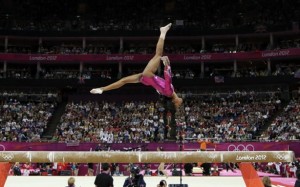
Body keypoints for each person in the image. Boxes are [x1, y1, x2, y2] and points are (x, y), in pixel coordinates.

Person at [90, 23, 183, 109]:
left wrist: (167, 66)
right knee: (123, 81)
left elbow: (168, 80)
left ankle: (163, 32)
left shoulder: (170, 92)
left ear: (175, 101)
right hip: (146, 80)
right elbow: (160, 86)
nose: (180, 104)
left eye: (178, 105)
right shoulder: (168, 93)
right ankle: (102, 89)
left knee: (158, 54)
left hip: (148, 75)